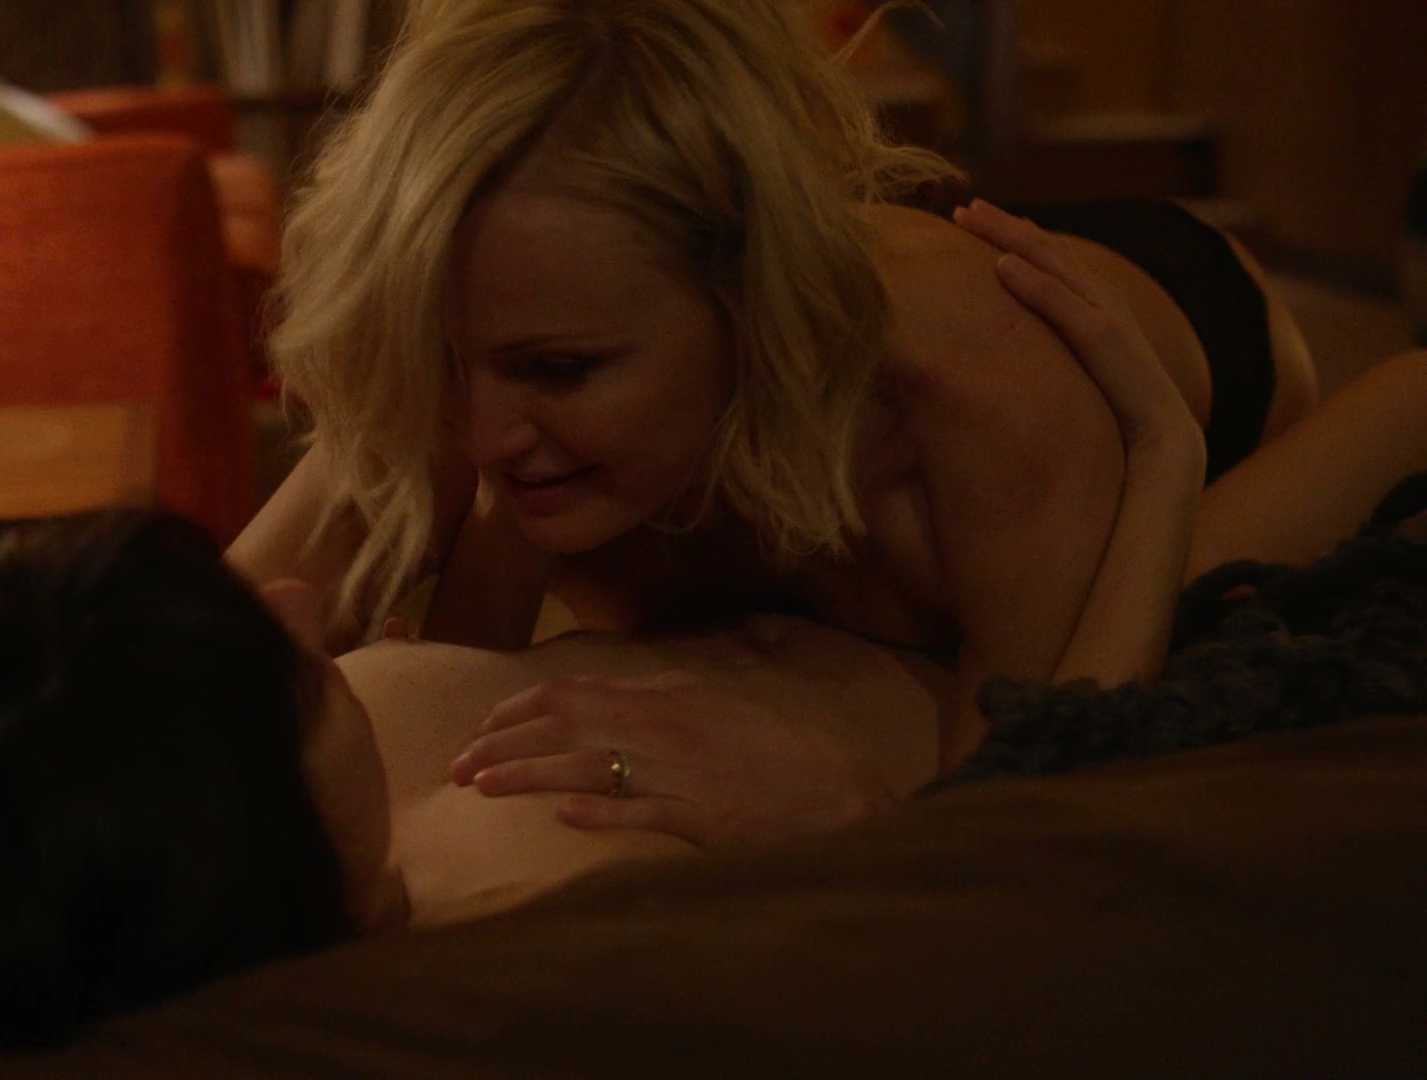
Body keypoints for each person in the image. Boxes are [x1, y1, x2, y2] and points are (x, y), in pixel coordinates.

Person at [0, 226, 1422, 1075]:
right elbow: (1033, 826)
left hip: (1039, 365)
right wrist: (1154, 485)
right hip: (975, 606)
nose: (305, 617)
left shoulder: (101, 753)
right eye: (280, 674)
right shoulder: (447, 920)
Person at [229, 0, 1323, 777]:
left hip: (1186, 323)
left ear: (745, 297)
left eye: (558, 371)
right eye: (447, 360)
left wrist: (1165, 462)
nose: (478, 433)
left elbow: (1017, 816)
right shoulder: (498, 331)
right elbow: (187, 662)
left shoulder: (977, 392)